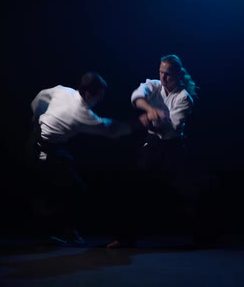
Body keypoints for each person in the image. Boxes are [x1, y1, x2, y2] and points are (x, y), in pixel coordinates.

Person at [27, 71, 133, 245]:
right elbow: (109, 129)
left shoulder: (63, 91)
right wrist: (137, 123)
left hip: (45, 145)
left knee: (69, 184)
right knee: (56, 190)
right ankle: (49, 233)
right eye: (98, 97)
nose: (99, 100)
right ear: (89, 94)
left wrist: (37, 118)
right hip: (41, 151)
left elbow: (40, 97)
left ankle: (65, 229)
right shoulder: (81, 113)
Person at [106, 54, 201, 248]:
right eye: (161, 73)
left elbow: (172, 128)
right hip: (153, 144)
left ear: (178, 74)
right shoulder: (154, 85)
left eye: (168, 74)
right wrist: (150, 111)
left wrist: (151, 122)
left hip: (173, 147)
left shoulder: (185, 98)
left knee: (189, 191)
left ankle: (202, 237)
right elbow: (136, 97)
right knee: (135, 186)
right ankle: (125, 238)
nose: (164, 78)